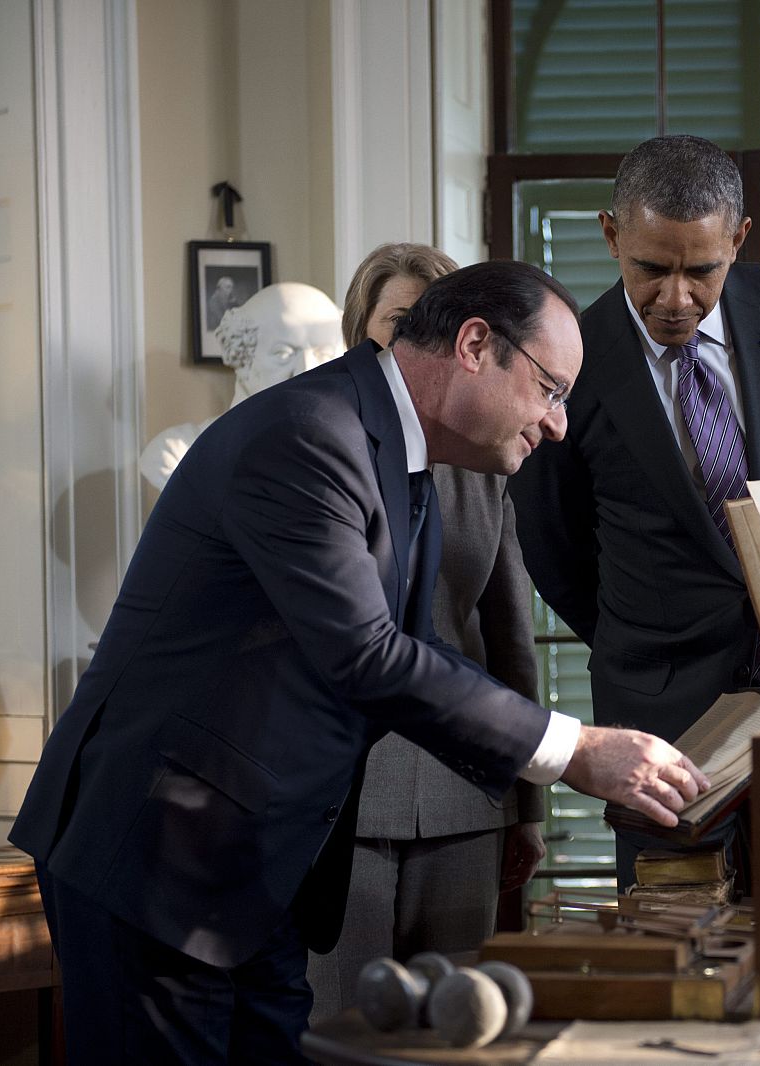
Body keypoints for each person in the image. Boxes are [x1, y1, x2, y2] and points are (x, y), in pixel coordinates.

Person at [10, 260, 709, 1065]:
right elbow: (366, 657)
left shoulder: (400, 457)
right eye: (551, 389)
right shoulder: (309, 432)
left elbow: (419, 653)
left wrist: (535, 776)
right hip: (157, 857)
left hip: (257, 871)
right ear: (476, 345)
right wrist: (573, 750)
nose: (557, 425)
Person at [509, 134, 760, 885]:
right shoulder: (566, 356)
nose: (675, 299)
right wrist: (646, 635)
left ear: (738, 239)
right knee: (676, 947)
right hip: (659, 715)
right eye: (650, 268)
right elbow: (553, 544)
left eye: (701, 270)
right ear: (612, 236)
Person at [305, 243, 545, 1021]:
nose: (417, 338)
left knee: (460, 1028)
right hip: (347, 797)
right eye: (399, 322)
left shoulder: (490, 467)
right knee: (347, 1025)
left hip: (465, 798)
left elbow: (511, 639)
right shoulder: (325, 449)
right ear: (361, 332)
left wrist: (528, 808)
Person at [139, 281, 345, 489]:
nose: (307, 371)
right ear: (241, 357)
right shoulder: (177, 453)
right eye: (283, 354)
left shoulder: (354, 458)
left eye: (324, 355)